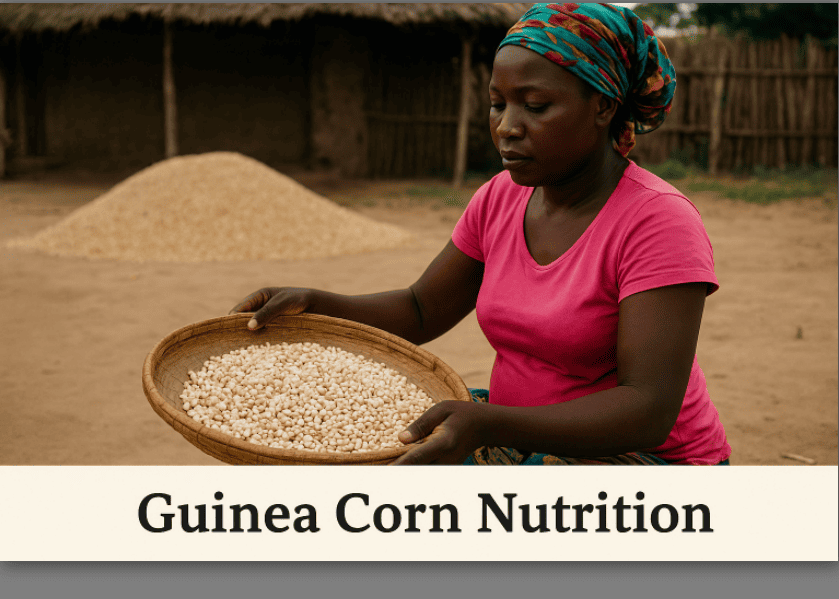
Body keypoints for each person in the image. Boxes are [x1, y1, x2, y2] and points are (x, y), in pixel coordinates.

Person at [230, 3, 731, 466]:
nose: (507, 127)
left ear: (602, 107)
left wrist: (487, 423)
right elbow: (422, 308)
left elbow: (647, 410)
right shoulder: (500, 198)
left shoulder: (657, 221)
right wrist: (315, 302)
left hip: (649, 460)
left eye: (535, 106)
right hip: (515, 428)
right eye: (498, 104)